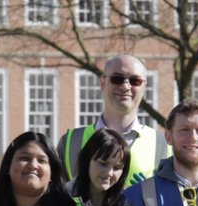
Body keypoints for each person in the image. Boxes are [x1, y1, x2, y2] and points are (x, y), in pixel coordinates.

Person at [57, 54, 169, 185]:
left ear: (144, 86)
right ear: (102, 82)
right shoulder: (70, 142)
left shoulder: (163, 145)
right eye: (117, 79)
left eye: (135, 81)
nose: (126, 86)